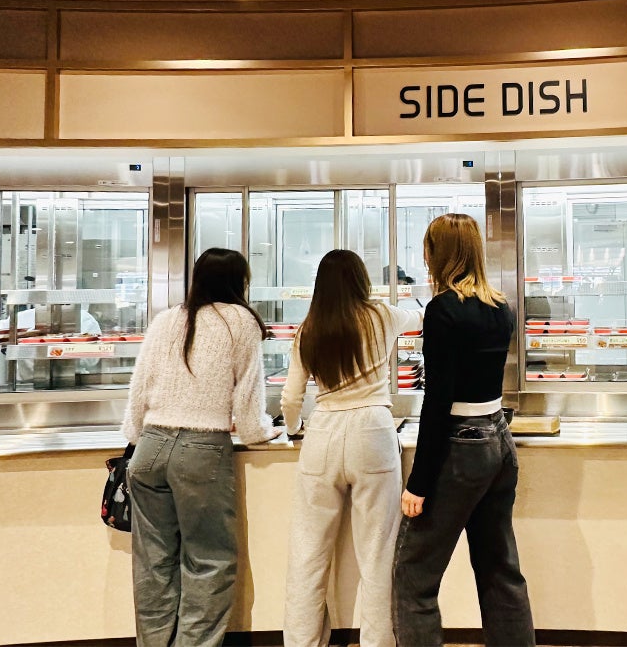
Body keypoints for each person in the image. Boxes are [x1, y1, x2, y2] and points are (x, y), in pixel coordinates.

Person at [122, 248, 278, 647]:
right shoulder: (240, 320)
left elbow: (139, 388)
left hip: (150, 449)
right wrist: (262, 431)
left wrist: (135, 437)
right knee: (209, 562)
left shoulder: (166, 319)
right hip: (202, 451)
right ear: (240, 282)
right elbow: (248, 402)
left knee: (153, 564)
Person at [392, 214, 535, 647]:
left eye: (427, 248)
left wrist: (418, 482)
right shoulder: (500, 307)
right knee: (500, 570)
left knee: (413, 575)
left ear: (438, 254)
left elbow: (439, 400)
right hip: (498, 439)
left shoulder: (442, 310)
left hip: (460, 444)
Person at [282, 249, 423, 647]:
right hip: (373, 431)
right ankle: (379, 642)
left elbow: (291, 398)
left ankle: (301, 641)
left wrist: (294, 429)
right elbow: (421, 317)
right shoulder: (381, 315)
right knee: (378, 553)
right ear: (361, 281)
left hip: (323, 432)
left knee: (308, 552)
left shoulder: (308, 330)